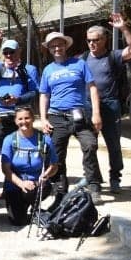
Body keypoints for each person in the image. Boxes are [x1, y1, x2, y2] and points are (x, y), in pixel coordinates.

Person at [39, 31, 103, 198]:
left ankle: (94, 184)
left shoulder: (79, 64)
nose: (57, 48)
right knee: (57, 153)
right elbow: (44, 95)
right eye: (53, 46)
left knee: (90, 145)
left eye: (59, 44)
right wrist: (44, 119)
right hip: (56, 116)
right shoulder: (48, 70)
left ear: (65, 46)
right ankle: (61, 188)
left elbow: (92, 88)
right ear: (50, 50)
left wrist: (96, 113)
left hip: (79, 115)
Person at [81, 14, 131, 193]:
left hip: (110, 105)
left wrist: (123, 28)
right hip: (88, 106)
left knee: (113, 144)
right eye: (89, 40)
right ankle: (93, 180)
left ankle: (115, 177)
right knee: (89, 145)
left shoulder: (113, 56)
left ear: (105, 39)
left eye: (96, 40)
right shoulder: (82, 58)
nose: (91, 43)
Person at [0, 31, 39, 144]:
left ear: (19, 52)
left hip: (21, 116)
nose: (8, 55)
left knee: (22, 147)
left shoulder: (29, 69)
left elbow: (34, 92)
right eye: (5, 52)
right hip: (1, 116)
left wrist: (18, 100)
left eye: (12, 52)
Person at [1, 106, 57, 226]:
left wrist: (46, 175)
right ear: (16, 121)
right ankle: (25, 206)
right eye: (20, 119)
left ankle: (34, 207)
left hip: (36, 184)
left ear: (33, 119)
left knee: (37, 189)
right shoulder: (9, 140)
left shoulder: (44, 139)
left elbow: (54, 165)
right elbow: (6, 169)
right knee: (17, 221)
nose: (24, 121)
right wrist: (21, 184)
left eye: (27, 118)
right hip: (15, 185)